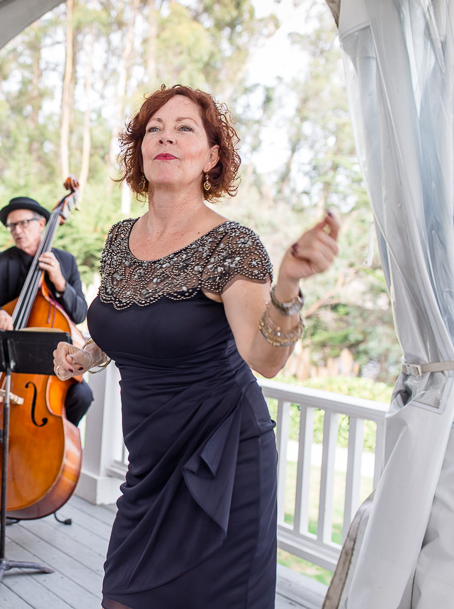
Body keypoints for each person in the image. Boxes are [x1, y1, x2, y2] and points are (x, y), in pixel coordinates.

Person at [53, 85, 341, 608]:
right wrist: (86, 355)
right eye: (154, 129)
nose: (166, 137)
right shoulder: (120, 239)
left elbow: (265, 358)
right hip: (149, 464)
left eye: (185, 128)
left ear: (211, 156)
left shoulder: (231, 243)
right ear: (140, 150)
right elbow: (126, 328)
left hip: (223, 460)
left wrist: (288, 287)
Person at [0, 196, 92, 426]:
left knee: (83, 396)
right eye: (12, 225)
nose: (17, 230)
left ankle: (53, 437)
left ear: (42, 224)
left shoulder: (65, 261)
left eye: (24, 223)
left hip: (50, 362)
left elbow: (80, 314)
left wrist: (60, 283)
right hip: (4, 361)